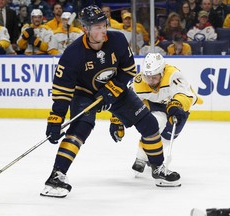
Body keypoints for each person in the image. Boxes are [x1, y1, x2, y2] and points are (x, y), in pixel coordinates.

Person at [40, 5, 181, 198]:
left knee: (149, 123)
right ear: (85, 29)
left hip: (115, 89)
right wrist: (56, 118)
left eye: (103, 25)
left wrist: (109, 92)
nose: (102, 30)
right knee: (79, 130)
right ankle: (56, 176)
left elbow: (129, 70)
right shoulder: (72, 54)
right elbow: (62, 91)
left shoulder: (118, 40)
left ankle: (158, 169)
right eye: (96, 27)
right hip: (85, 94)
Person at [126, 53, 203, 175]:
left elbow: (186, 94)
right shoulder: (138, 82)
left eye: (154, 77)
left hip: (177, 105)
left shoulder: (173, 75)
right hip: (155, 104)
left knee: (170, 134)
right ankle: (141, 157)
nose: (150, 81)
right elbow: (125, 100)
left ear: (162, 73)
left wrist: (177, 104)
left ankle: (152, 155)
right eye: (147, 77)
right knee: (153, 125)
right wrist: (116, 119)